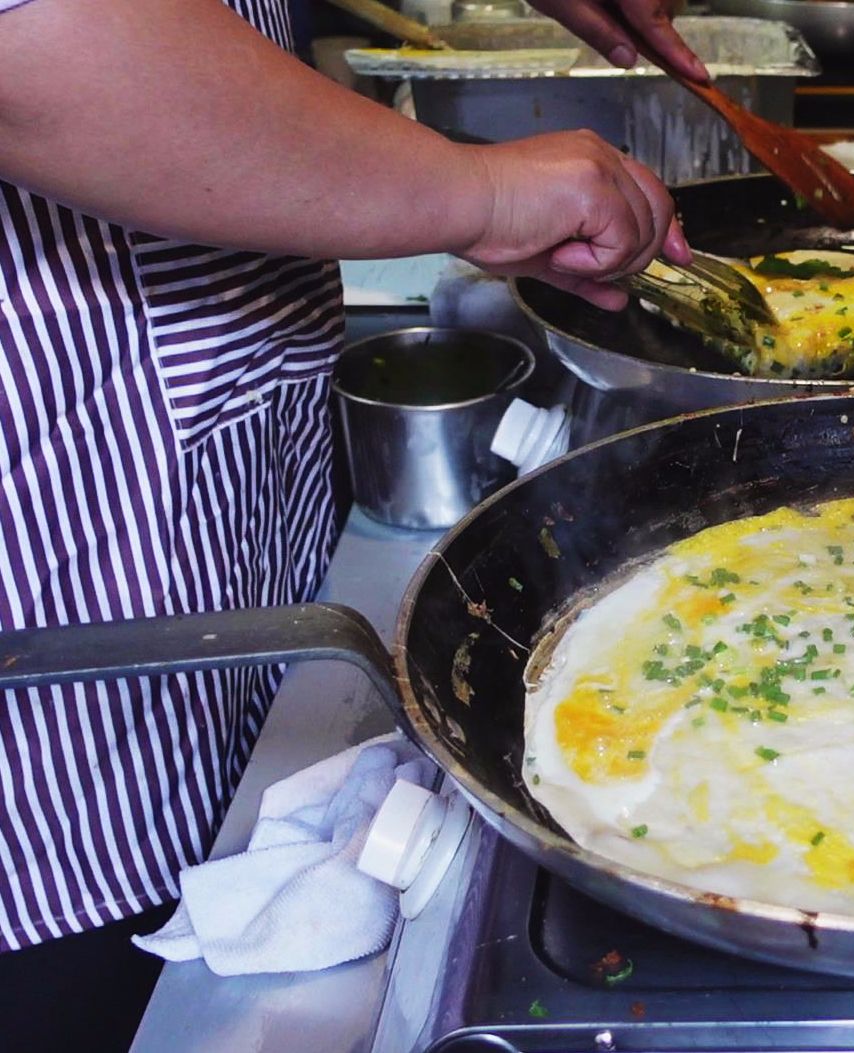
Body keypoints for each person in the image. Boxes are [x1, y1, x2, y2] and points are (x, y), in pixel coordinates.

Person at [0, 0, 703, 1045]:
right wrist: (482, 192)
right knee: (100, 976)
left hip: (223, 525)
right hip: (68, 617)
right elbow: (35, 53)